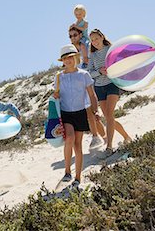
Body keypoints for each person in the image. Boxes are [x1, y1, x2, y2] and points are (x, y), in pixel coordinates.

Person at [54, 44, 98, 187]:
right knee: (70, 138)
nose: (68, 61)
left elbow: (92, 94)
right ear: (62, 61)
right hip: (66, 114)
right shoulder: (59, 77)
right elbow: (56, 97)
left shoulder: (84, 75)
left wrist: (95, 110)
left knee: (78, 146)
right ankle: (67, 171)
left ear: (76, 57)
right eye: (65, 59)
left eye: (70, 57)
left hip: (80, 113)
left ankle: (78, 178)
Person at [88, 29, 132, 156]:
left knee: (109, 115)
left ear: (102, 37)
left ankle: (109, 146)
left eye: (96, 38)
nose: (94, 42)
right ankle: (126, 137)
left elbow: (121, 62)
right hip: (99, 87)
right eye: (92, 40)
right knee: (108, 117)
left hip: (112, 85)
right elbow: (90, 73)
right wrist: (99, 72)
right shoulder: (93, 55)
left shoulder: (111, 49)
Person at [69, 27, 105, 148]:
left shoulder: (86, 46)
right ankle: (101, 136)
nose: (72, 38)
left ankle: (98, 137)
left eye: (75, 35)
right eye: (70, 36)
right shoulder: (72, 50)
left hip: (89, 80)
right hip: (80, 82)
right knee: (90, 113)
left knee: (92, 112)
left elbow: (86, 64)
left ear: (80, 35)